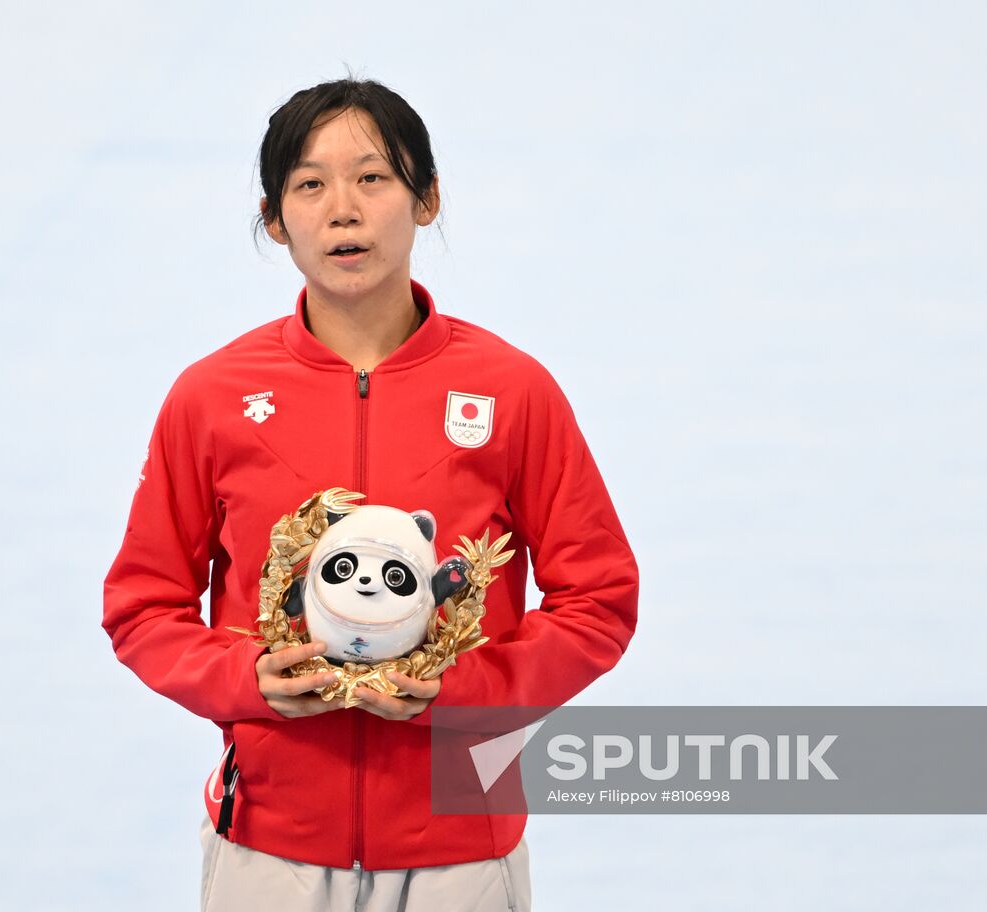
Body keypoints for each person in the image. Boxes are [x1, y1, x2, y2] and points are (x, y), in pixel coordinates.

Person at [102, 76, 639, 912]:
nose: (342, 210)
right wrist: (248, 679)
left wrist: (468, 695)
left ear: (426, 199)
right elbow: (142, 605)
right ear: (275, 219)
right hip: (269, 850)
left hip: (461, 852)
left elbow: (599, 600)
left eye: (373, 178)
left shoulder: (512, 392)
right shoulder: (212, 397)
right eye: (309, 184)